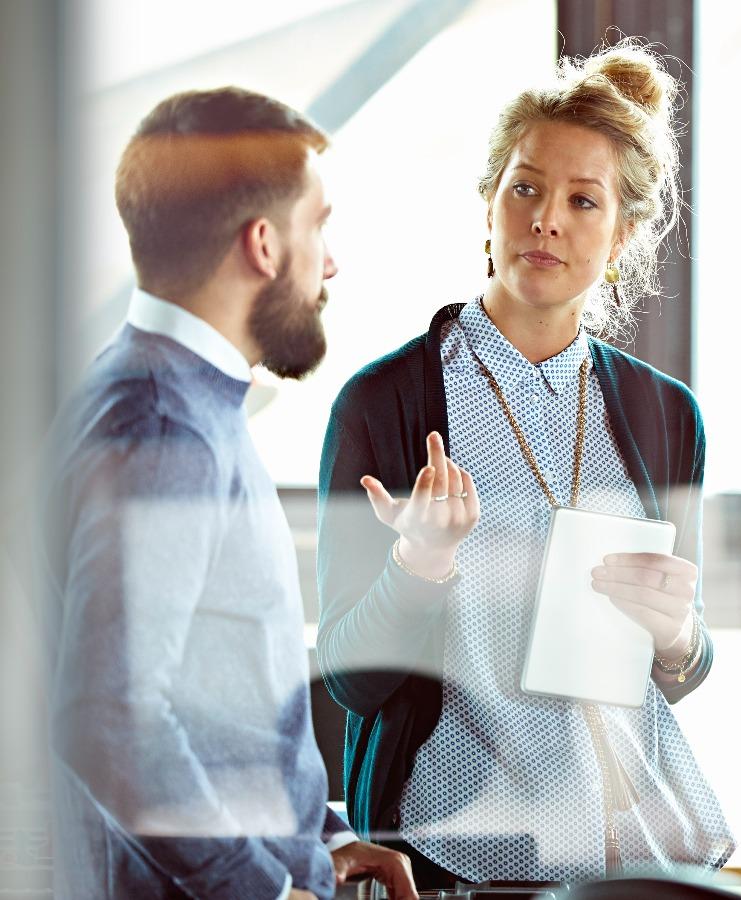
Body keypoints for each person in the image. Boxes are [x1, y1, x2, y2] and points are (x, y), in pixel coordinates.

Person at [315, 40, 732, 888]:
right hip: (448, 853)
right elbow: (351, 684)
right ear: (490, 205)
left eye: (584, 200)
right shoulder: (385, 405)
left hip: (628, 849)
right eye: (527, 188)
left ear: (622, 234)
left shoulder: (665, 416)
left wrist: (681, 634)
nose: (547, 218)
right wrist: (416, 564)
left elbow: (673, 672)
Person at [38, 88, 416, 899]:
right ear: (263, 244)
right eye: (320, 225)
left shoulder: (175, 395)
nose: (334, 260)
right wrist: (267, 890)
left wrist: (320, 837)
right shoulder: (162, 425)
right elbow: (110, 718)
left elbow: (214, 701)